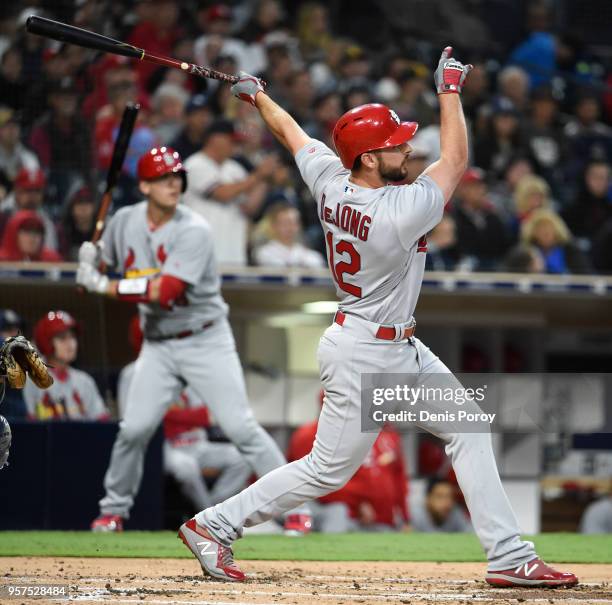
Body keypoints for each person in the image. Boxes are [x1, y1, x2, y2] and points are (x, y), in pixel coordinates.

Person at [177, 48, 578, 588]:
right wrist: (450, 91)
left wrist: (259, 97)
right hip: (365, 352)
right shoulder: (395, 211)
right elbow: (456, 161)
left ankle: (508, 555)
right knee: (327, 470)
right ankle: (213, 524)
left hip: (398, 347)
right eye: (395, 145)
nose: (408, 148)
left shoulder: (329, 181)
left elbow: (292, 134)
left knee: (467, 427)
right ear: (368, 159)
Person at [76, 146, 308, 533]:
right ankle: (113, 511)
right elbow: (107, 265)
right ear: (146, 185)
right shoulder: (123, 222)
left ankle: (295, 508)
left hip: (205, 339)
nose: (174, 184)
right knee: (133, 430)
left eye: (177, 177)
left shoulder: (195, 229)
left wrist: (101, 283)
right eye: (164, 178)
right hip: (159, 344)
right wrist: (90, 260)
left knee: (241, 428)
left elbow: (163, 292)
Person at [118, 316, 251, 513]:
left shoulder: (188, 370)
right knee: (185, 467)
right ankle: (209, 518)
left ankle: (210, 511)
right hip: (163, 447)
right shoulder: (133, 373)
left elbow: (204, 416)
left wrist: (168, 416)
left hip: (196, 444)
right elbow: (133, 421)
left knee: (245, 457)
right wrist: (178, 417)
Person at [182, 119, 277, 265]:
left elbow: (250, 207)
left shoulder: (235, 168)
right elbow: (223, 194)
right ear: (215, 139)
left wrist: (265, 179)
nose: (236, 146)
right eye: (232, 141)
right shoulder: (195, 164)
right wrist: (258, 175)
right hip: (201, 255)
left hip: (233, 254)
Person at [23, 311, 108, 421]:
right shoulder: (32, 379)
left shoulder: (85, 381)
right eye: (62, 338)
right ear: (46, 342)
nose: (71, 343)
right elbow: (30, 426)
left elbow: (102, 421)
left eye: (72, 337)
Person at [253, 203, 325, 268]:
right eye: (285, 223)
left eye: (294, 223)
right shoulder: (264, 252)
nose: (290, 227)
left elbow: (317, 262)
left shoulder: (310, 255)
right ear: (274, 226)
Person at [520, 208, 591, 274]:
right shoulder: (524, 251)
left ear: (557, 230)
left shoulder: (571, 250)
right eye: (540, 228)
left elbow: (585, 276)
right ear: (533, 232)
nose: (545, 232)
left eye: (549, 227)